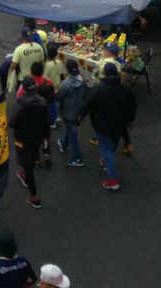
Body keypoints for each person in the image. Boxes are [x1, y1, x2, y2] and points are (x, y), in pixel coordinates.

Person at [80, 62, 136, 191]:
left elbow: (87, 105)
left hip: (102, 125)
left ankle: (113, 180)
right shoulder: (125, 89)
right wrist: (130, 120)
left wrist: (80, 117)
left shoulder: (97, 89)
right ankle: (106, 161)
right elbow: (132, 105)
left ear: (104, 74)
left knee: (107, 150)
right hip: (120, 125)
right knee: (112, 145)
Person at [9, 77, 49, 209]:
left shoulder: (19, 104)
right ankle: (32, 163)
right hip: (37, 137)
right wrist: (45, 140)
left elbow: (12, 123)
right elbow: (46, 123)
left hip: (22, 139)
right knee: (32, 153)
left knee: (27, 164)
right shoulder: (42, 102)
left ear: (23, 89)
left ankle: (34, 197)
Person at [54, 60, 85, 168]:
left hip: (68, 111)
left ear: (67, 70)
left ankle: (77, 158)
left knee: (73, 134)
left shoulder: (66, 83)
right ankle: (63, 143)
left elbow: (58, 96)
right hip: (78, 110)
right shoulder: (81, 79)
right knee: (71, 128)